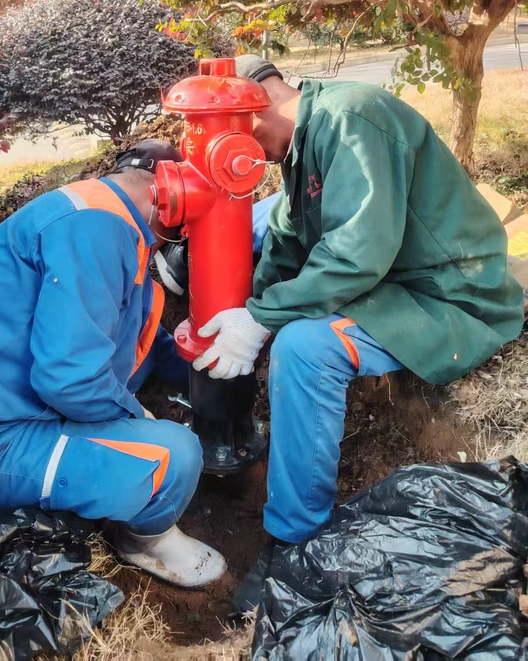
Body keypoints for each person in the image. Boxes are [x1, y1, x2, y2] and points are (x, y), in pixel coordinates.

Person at [178, 55, 524, 607]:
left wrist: (264, 319)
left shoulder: (351, 118)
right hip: (393, 281)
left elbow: (358, 254)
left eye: (230, 133)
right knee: (283, 320)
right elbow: (287, 243)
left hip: (447, 295)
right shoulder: (303, 141)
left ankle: (294, 541)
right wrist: (240, 312)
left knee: (305, 347)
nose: (242, 153)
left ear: (256, 109)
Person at [0, 139, 226, 588]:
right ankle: (147, 542)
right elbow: (68, 380)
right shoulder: (97, 231)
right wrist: (137, 415)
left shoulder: (101, 213)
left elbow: (131, 334)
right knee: (175, 455)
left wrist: (204, 373)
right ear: (170, 197)